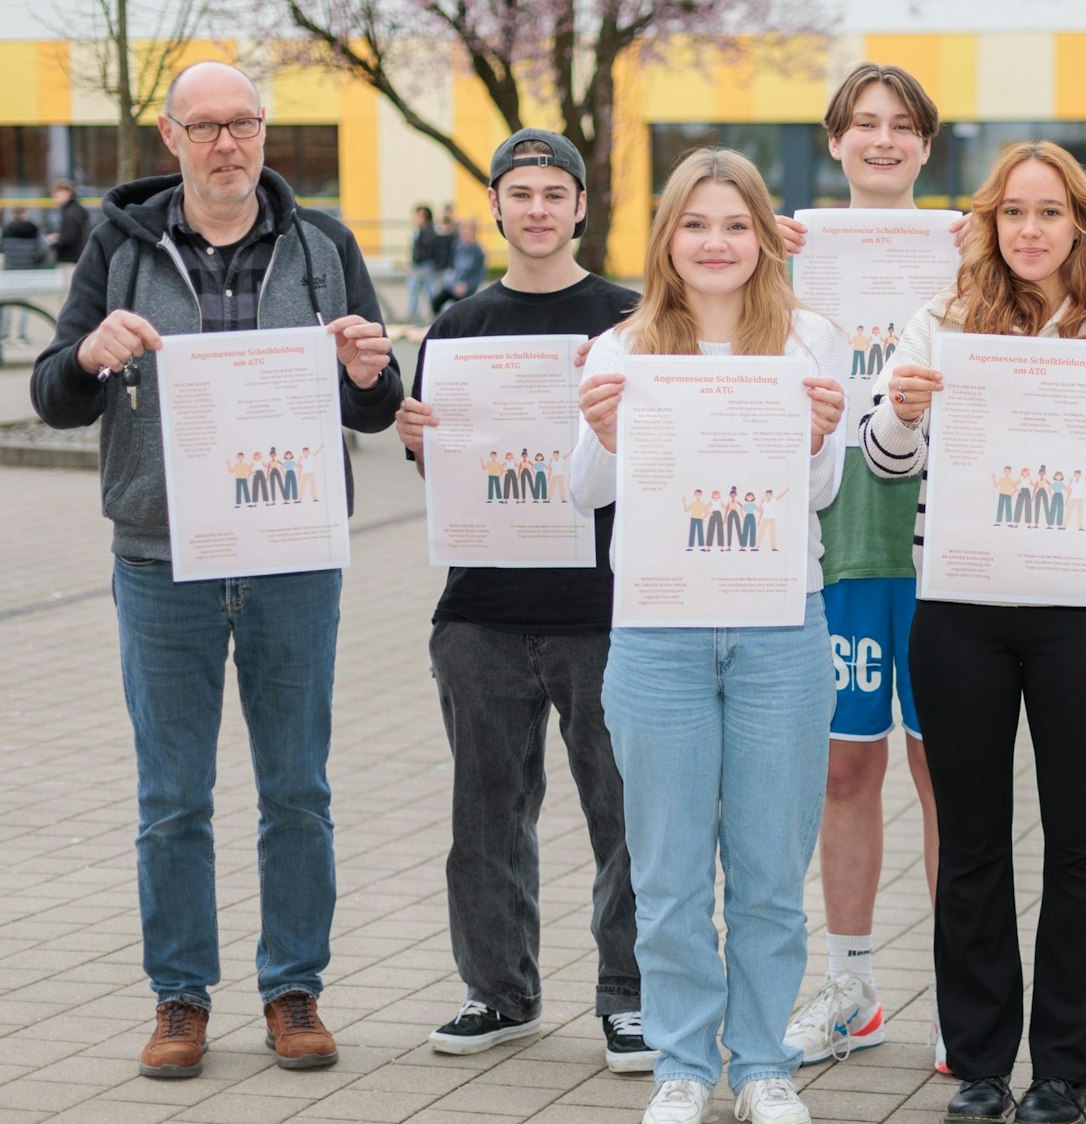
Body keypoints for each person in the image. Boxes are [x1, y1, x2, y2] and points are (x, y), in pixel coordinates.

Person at [27, 60, 401, 1079]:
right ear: (172, 136)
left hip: (292, 557)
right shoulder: (119, 247)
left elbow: (371, 405)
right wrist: (91, 353)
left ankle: (293, 988)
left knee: (298, 789)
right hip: (162, 560)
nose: (227, 143)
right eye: (205, 127)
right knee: (172, 798)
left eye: (243, 123)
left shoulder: (322, 246)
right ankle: (180, 996)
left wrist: (370, 375)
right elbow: (53, 393)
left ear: (264, 129)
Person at [860, 139, 1086, 1124]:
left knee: (1081, 842)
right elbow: (883, 459)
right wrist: (903, 412)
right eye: (1013, 211)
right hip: (960, 612)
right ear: (989, 224)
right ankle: (978, 1062)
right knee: (971, 843)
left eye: (1050, 211)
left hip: (1083, 613)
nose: (1031, 229)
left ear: (1080, 224)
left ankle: (1067, 1068)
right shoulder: (942, 321)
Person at [571, 147, 846, 1124]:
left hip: (779, 626)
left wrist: (817, 437)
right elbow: (581, 491)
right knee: (669, 872)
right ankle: (682, 1064)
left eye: (735, 224)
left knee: (769, 871)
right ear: (667, 238)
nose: (716, 242)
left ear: (764, 236)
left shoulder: (811, 340)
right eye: (696, 224)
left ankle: (763, 1062)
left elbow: (823, 491)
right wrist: (604, 434)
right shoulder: (623, 345)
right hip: (658, 633)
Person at [390, 128, 652, 1073]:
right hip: (480, 613)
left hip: (605, 608)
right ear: (495, 207)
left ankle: (631, 997)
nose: (537, 209)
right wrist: (418, 442)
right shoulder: (457, 328)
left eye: (554, 193)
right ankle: (498, 993)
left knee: (625, 817)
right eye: (520, 193)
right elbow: (446, 475)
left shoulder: (629, 320)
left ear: (580, 207)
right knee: (486, 819)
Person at [775, 62, 958, 1076]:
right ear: (836, 141)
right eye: (864, 124)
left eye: (902, 126)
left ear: (926, 145)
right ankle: (851, 986)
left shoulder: (974, 253)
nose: (883, 140)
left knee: (945, 773)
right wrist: (762, 261)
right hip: (839, 534)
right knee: (846, 767)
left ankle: (963, 994)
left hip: (943, 538)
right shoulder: (787, 255)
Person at [1, 206, 51, 343]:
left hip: (10, 269)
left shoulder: (6, 229)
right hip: (28, 270)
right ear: (25, 215)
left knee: (7, 303)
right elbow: (43, 249)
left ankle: (4, 336)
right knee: (25, 303)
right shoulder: (34, 229)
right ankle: (21, 336)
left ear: (12, 216)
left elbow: (2, 247)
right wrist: (36, 260)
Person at [436, 218, 487, 314]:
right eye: (463, 232)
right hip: (454, 285)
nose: (465, 235)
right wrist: (453, 284)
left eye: (469, 232)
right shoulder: (456, 246)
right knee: (436, 302)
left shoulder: (478, 251)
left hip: (467, 289)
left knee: (460, 311)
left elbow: (480, 275)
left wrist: (466, 285)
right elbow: (452, 268)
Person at [47, 177, 89, 286]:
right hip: (76, 257)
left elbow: (69, 237)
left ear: (67, 193)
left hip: (71, 259)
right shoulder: (74, 209)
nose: (55, 199)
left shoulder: (72, 212)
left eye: (57, 195)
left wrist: (54, 241)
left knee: (70, 291)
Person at [407, 204, 440, 323]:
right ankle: (412, 317)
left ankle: (434, 316)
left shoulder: (430, 231)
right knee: (413, 292)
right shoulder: (417, 231)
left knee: (430, 292)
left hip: (427, 265)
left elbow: (429, 247)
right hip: (416, 265)